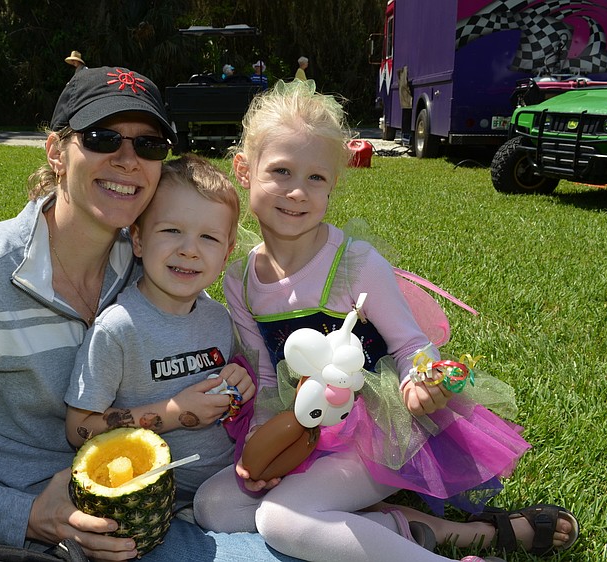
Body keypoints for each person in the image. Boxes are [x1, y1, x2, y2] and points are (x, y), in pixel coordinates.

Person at [0, 65, 303, 562]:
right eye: (101, 137)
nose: (128, 160)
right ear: (55, 151)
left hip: (172, 499)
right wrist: (27, 516)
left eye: (149, 145)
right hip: (67, 533)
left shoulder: (148, 262)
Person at [192, 79, 579, 562]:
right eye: (281, 171)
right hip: (306, 425)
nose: (296, 192)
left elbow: (411, 344)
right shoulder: (241, 278)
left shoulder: (354, 262)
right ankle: (423, 530)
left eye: (316, 178)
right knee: (213, 508)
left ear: (334, 184)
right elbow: (269, 373)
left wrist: (421, 380)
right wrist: (265, 445)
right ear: (244, 171)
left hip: (379, 428)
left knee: (281, 519)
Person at [66, 154, 253, 511]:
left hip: (233, 478)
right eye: (171, 231)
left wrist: (241, 382)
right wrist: (174, 412)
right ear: (137, 240)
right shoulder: (118, 329)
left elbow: (235, 389)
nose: (189, 249)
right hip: (149, 502)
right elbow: (78, 430)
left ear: (227, 253)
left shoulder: (219, 318)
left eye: (209, 238)